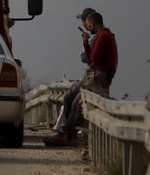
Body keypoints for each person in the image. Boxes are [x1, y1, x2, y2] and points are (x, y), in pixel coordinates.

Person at [46, 10, 119, 146]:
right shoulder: (106, 35)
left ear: (91, 22)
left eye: (88, 23)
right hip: (100, 75)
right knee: (76, 103)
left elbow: (93, 59)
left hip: (98, 77)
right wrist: (86, 44)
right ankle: (67, 134)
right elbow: (92, 58)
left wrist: (86, 45)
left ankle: (67, 135)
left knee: (78, 104)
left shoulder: (102, 37)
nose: (87, 25)